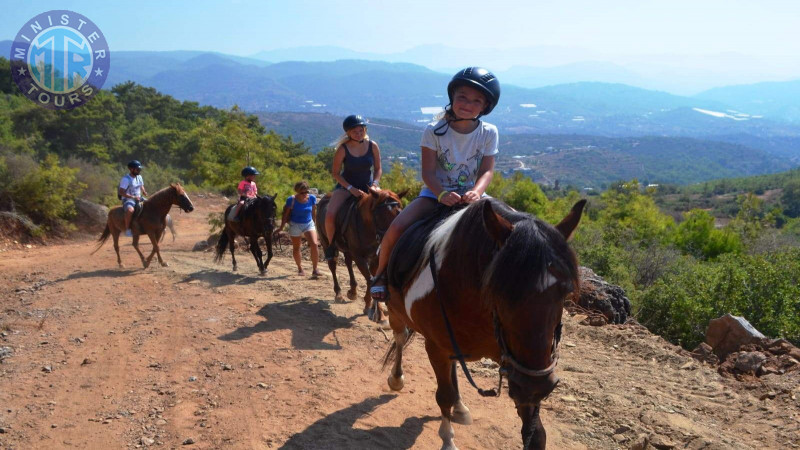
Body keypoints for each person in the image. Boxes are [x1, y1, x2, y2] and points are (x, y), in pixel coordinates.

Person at [369, 67, 501, 300]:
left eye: (476, 100)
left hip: (473, 196)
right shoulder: (434, 131)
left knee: (511, 227)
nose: (467, 104)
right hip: (434, 195)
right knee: (396, 228)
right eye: (462, 97)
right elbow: (428, 173)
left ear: (485, 107)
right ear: (452, 98)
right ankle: (380, 274)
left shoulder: (489, 132)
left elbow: (487, 170)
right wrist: (441, 195)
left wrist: (477, 192)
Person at [323, 114, 382, 260]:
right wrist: (350, 189)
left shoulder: (372, 145)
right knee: (330, 215)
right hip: (346, 188)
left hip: (369, 187)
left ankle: (387, 241)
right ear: (348, 133)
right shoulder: (343, 149)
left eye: (361, 130)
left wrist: (375, 184)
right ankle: (331, 246)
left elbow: (378, 169)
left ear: (365, 130)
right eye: (355, 131)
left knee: (388, 207)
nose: (358, 133)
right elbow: (336, 173)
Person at [276, 181, 321, 277]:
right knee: (297, 247)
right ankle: (300, 268)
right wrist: (281, 227)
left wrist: (314, 224)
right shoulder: (291, 200)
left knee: (314, 244)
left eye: (306, 192)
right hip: (295, 224)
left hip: (308, 223)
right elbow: (286, 215)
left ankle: (315, 269)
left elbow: (313, 212)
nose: (305, 194)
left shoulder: (312, 198)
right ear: (297, 192)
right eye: (302, 193)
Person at [119, 160, 148, 237]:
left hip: (139, 197)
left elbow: (141, 185)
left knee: (152, 204)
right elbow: (121, 192)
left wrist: (144, 191)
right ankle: (127, 229)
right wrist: (133, 197)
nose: (139, 171)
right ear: (131, 169)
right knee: (130, 210)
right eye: (137, 169)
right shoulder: (126, 179)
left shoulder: (139, 177)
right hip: (128, 199)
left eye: (140, 169)